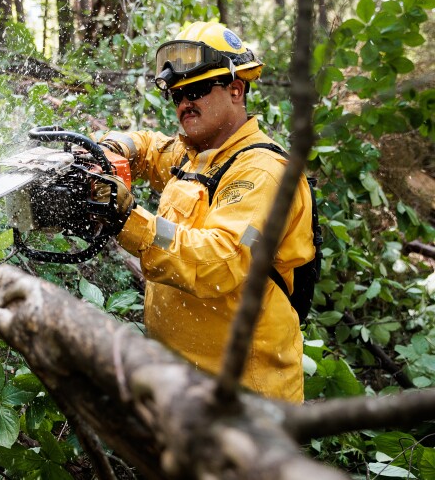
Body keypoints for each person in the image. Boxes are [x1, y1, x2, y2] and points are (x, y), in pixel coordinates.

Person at [97, 21, 314, 403]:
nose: (184, 104)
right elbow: (148, 147)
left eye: (196, 90)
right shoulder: (197, 154)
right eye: (177, 94)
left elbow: (220, 259)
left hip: (245, 398)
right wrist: (111, 147)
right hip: (184, 385)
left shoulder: (262, 172)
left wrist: (126, 220)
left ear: (235, 89)